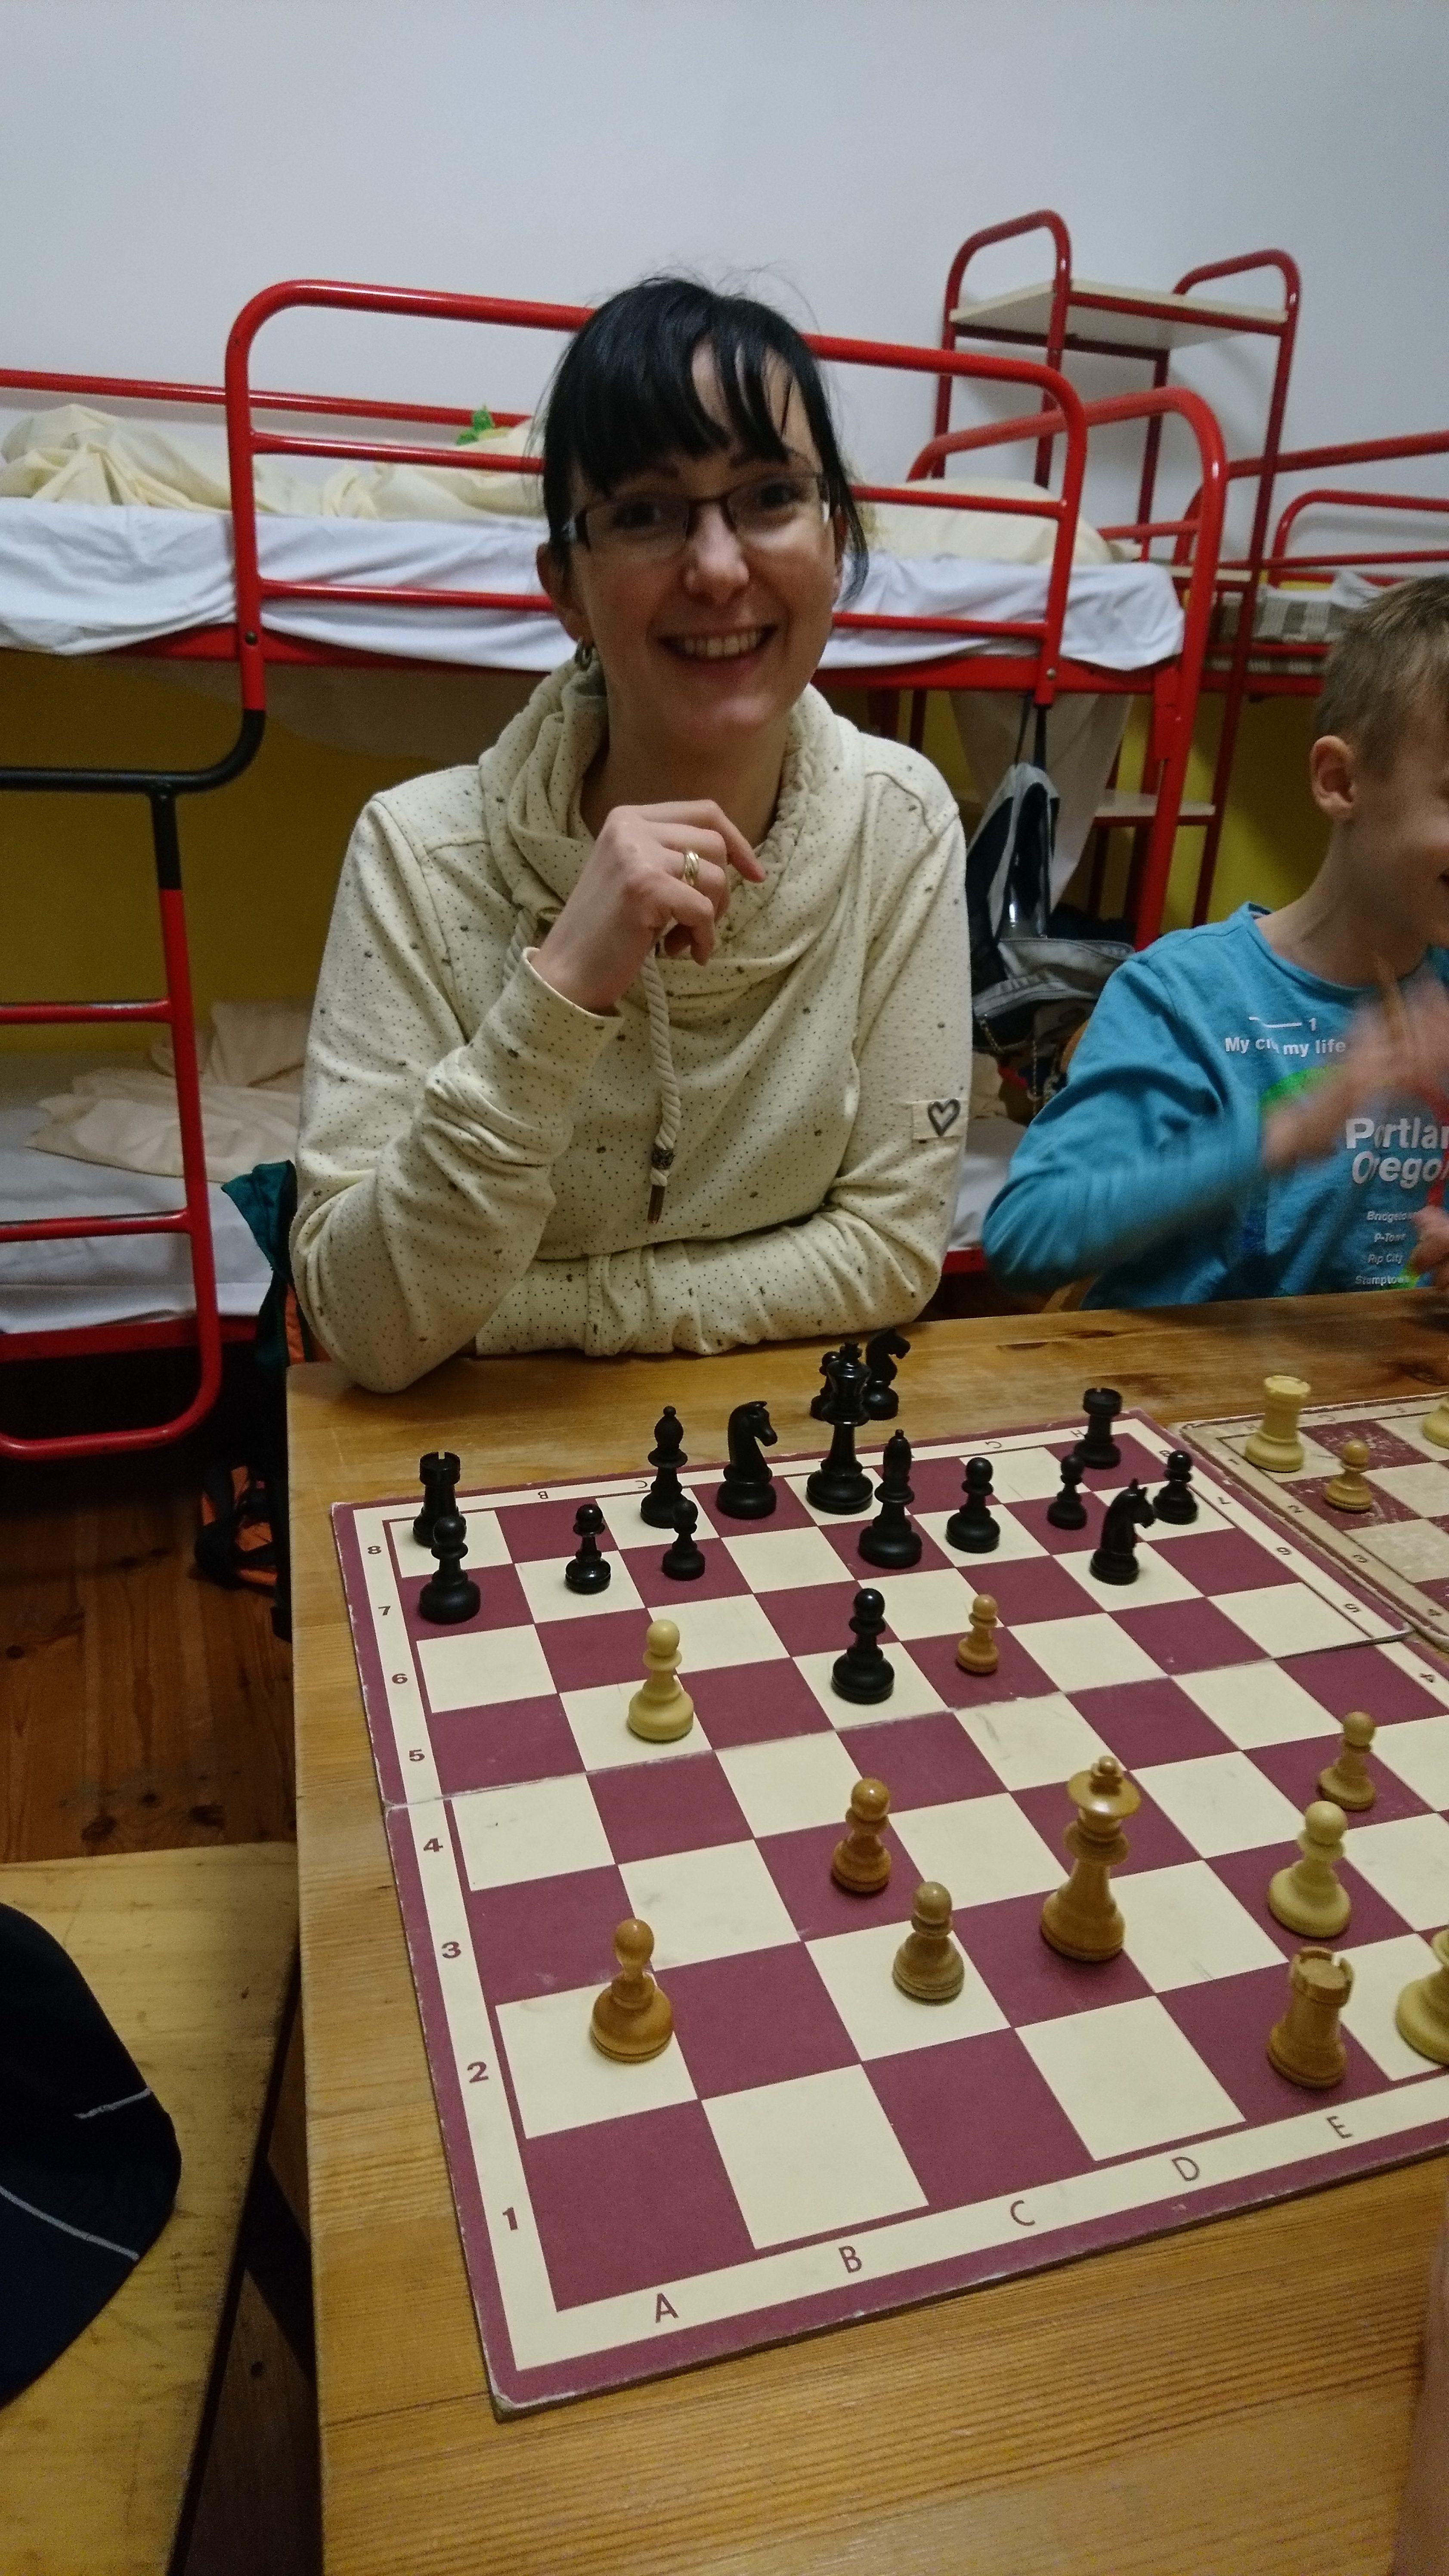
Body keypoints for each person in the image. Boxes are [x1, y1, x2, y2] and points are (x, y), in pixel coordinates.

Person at [291, 278, 969, 1393]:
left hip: (781, 1442)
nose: (718, 568)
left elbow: (892, 1253)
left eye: (769, 496)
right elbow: (365, 1325)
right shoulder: (416, 854)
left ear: (836, 538)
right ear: (565, 586)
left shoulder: (901, 822)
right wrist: (557, 993)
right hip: (481, 1459)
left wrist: (524, 1314)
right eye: (646, 514)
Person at [982, 578, 1449, 1307]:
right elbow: (1025, 1235)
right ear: (1339, 781)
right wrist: (1281, 1135)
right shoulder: (1186, 996)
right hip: (1174, 1377)